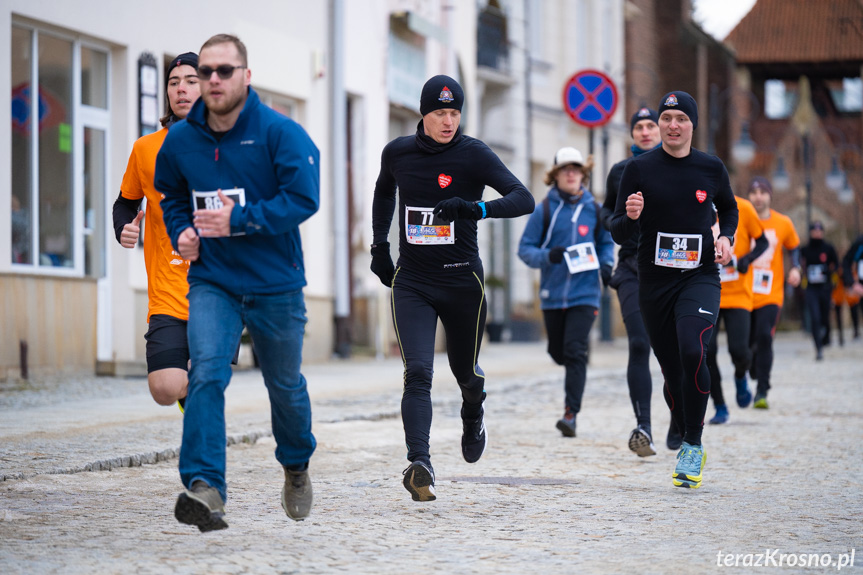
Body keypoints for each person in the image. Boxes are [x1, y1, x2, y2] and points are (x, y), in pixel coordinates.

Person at [157, 34, 319, 530]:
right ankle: (206, 487)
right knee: (205, 372)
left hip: (276, 283)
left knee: (284, 386)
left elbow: (303, 198)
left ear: (246, 76)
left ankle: (295, 464)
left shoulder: (279, 132)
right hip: (214, 280)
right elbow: (171, 196)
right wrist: (183, 231)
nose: (212, 80)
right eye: (205, 71)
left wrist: (241, 220)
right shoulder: (182, 139)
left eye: (224, 71)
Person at [370, 74, 534, 502]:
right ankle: (419, 462)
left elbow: (523, 197)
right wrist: (378, 246)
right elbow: (384, 191)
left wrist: (475, 207)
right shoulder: (398, 152)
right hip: (413, 281)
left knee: (466, 373)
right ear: (423, 114)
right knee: (418, 372)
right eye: (440, 113)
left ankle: (473, 411)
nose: (448, 121)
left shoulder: (473, 154)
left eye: (455, 113)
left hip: (463, 281)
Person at [609, 91, 738, 489]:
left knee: (692, 349)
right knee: (671, 368)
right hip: (654, 281)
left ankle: (693, 446)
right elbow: (617, 229)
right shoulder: (639, 168)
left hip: (699, 276)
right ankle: (683, 421)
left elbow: (729, 208)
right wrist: (630, 216)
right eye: (667, 119)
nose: (672, 125)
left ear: (692, 125)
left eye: (681, 118)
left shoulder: (711, 168)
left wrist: (727, 238)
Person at [113, 52, 200, 411]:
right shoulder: (145, 148)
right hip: (167, 289)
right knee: (165, 388)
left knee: (206, 377)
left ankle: (203, 455)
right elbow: (125, 203)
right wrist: (123, 230)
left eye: (190, 81)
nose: (181, 89)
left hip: (217, 287)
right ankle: (191, 396)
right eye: (173, 82)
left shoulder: (227, 144)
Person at [518, 147, 614, 442]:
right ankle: (571, 368)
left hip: (585, 294)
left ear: (583, 174)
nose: (571, 174)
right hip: (552, 294)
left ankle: (570, 413)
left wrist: (607, 265)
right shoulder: (544, 210)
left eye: (576, 169)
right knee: (558, 352)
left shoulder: (596, 210)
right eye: (565, 169)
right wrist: (549, 256)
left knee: (575, 351)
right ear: (556, 175)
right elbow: (525, 250)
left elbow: (606, 244)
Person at [601, 107, 673, 454]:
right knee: (639, 344)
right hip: (631, 268)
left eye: (650, 125)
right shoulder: (620, 172)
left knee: (673, 352)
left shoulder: (679, 168)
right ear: (632, 134)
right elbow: (605, 211)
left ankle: (680, 415)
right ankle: (643, 425)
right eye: (639, 127)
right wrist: (617, 222)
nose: (645, 132)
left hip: (671, 269)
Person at [705, 197, 768, 424]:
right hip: (707, 290)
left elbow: (763, 242)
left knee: (739, 350)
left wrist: (747, 259)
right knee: (707, 353)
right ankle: (720, 405)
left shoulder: (743, 208)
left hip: (739, 293)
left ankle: (741, 375)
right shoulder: (694, 203)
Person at [747, 177, 801, 409]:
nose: (758, 197)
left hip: (771, 293)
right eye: (754, 192)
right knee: (747, 343)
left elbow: (794, 247)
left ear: (770, 195)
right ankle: (751, 366)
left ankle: (762, 390)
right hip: (744, 291)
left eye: (762, 192)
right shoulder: (741, 220)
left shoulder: (783, 223)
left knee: (765, 337)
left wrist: (796, 268)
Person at [800, 221, 839, 360]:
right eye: (814, 231)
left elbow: (836, 263)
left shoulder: (828, 248)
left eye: (819, 231)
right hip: (811, 288)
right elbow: (799, 263)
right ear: (810, 233)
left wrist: (829, 272)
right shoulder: (805, 249)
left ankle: (827, 335)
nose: (817, 233)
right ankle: (818, 349)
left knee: (824, 317)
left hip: (825, 288)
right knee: (815, 318)